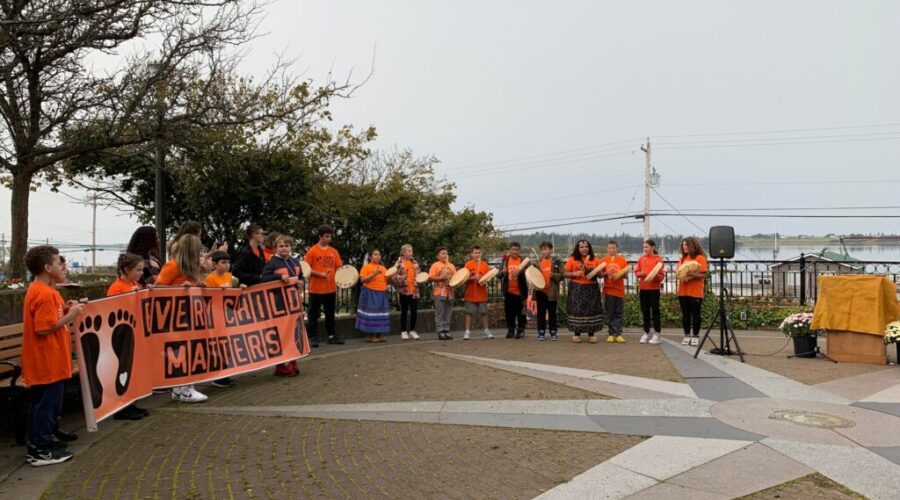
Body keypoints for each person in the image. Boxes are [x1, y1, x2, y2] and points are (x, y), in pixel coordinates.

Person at [22, 245, 85, 466]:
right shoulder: (46, 294)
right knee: (46, 406)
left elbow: (47, 322)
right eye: (60, 262)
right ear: (48, 268)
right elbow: (44, 328)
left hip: (46, 361)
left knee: (42, 404)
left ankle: (42, 442)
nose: (64, 266)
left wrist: (65, 311)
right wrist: (72, 315)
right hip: (47, 361)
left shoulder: (41, 291)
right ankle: (40, 449)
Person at [156, 234, 208, 402]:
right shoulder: (173, 265)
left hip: (188, 313)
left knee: (188, 349)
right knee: (184, 350)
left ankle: (180, 388)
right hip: (176, 315)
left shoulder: (186, 267)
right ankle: (184, 388)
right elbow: (158, 288)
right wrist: (180, 288)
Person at [106, 253, 152, 419]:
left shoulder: (134, 284)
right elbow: (114, 310)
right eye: (138, 270)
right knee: (123, 368)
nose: (141, 273)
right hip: (122, 333)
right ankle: (122, 407)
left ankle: (130, 402)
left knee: (132, 369)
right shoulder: (117, 287)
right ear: (126, 269)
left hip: (133, 331)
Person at [261, 234, 305, 376]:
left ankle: (292, 362)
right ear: (276, 248)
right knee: (281, 333)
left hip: (293, 302)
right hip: (279, 303)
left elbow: (301, 277)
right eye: (281, 246)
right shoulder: (273, 262)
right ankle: (281, 365)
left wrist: (301, 282)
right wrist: (279, 277)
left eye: (286, 245)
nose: (284, 248)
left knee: (292, 332)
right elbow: (264, 278)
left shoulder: (295, 262)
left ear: (291, 247)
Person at [204, 251, 243, 387]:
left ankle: (224, 372)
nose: (227, 265)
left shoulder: (229, 276)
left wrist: (239, 288)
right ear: (215, 264)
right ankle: (218, 375)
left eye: (228, 262)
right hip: (215, 314)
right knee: (219, 344)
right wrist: (219, 290)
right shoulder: (210, 278)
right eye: (223, 263)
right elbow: (207, 297)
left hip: (227, 314)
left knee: (227, 344)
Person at [304, 225, 345, 346]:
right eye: (326, 236)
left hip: (331, 288)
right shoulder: (312, 251)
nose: (329, 239)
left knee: (330, 314)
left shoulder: (333, 251)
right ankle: (312, 338)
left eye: (330, 236)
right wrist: (319, 274)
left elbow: (339, 268)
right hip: (316, 289)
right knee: (313, 315)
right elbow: (306, 269)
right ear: (320, 236)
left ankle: (331, 336)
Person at [564, 240, 605, 343]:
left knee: (592, 310)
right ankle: (576, 334)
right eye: (581, 247)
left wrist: (598, 272)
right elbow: (564, 273)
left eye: (586, 247)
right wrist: (574, 273)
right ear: (578, 249)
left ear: (589, 248)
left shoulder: (595, 260)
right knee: (577, 311)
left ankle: (591, 334)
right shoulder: (572, 259)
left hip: (591, 288)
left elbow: (600, 274)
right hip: (577, 288)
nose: (584, 249)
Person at [677, 237, 708, 346]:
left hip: (695, 292)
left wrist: (691, 274)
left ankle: (695, 335)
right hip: (682, 291)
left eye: (686, 245)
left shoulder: (700, 258)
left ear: (692, 245)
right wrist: (682, 275)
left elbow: (703, 274)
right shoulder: (682, 259)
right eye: (683, 245)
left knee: (696, 315)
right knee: (685, 315)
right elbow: (679, 274)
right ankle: (686, 335)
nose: (684, 247)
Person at [635, 240, 665, 344]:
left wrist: (654, 274)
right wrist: (641, 274)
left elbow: (661, 276)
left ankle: (657, 333)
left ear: (652, 247)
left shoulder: (658, 259)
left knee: (655, 311)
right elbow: (636, 272)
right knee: (645, 311)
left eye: (646, 247)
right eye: (644, 247)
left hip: (654, 289)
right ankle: (646, 332)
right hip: (643, 288)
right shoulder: (641, 258)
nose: (645, 249)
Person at [357, 249, 391, 343]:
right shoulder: (366, 267)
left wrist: (390, 276)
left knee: (381, 314)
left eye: (379, 254)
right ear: (370, 257)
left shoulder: (383, 268)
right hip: (370, 292)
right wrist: (374, 274)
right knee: (371, 314)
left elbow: (387, 281)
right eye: (375, 254)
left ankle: (380, 334)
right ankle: (371, 335)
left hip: (382, 292)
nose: (378, 256)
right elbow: (362, 280)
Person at [390, 244, 421, 340]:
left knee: (414, 312)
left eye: (411, 251)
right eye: (409, 251)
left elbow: (419, 274)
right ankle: (403, 331)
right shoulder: (398, 263)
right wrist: (403, 278)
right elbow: (393, 275)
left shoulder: (415, 263)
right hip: (403, 291)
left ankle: (412, 330)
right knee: (404, 311)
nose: (411, 253)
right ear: (403, 253)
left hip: (414, 291)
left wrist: (420, 279)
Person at [534, 241, 563, 341]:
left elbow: (562, 276)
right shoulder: (537, 262)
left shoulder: (557, 262)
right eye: (542, 249)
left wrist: (553, 275)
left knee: (552, 313)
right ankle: (541, 331)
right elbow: (532, 276)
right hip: (540, 291)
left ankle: (553, 332)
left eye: (546, 249)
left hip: (552, 292)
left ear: (551, 250)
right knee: (540, 313)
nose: (543, 251)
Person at [462, 246, 494, 340]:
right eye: (475, 253)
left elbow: (488, 278)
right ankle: (467, 332)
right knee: (469, 313)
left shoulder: (484, 265)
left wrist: (482, 279)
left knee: (484, 312)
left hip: (481, 293)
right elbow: (463, 279)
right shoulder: (467, 265)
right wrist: (472, 278)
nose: (477, 254)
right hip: (470, 293)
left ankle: (486, 330)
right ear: (471, 254)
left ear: (481, 254)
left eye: (479, 253)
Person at [499, 242, 529, 339]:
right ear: (510, 250)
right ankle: (511, 330)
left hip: (521, 291)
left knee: (521, 313)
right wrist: (503, 272)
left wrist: (524, 270)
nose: (515, 251)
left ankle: (520, 330)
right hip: (508, 291)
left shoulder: (523, 260)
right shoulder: (505, 260)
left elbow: (531, 271)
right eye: (513, 249)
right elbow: (499, 275)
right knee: (509, 312)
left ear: (519, 251)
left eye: (517, 250)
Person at [600, 241, 628, 344]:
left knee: (619, 313)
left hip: (619, 290)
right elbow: (599, 274)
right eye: (609, 248)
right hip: (608, 290)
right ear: (607, 249)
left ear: (617, 249)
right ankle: (611, 334)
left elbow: (626, 276)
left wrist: (619, 274)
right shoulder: (603, 260)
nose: (611, 250)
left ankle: (619, 334)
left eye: (613, 248)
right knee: (610, 313)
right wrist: (606, 273)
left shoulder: (622, 260)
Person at [429, 247, 457, 340]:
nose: (445, 255)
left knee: (448, 312)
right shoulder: (435, 265)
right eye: (442, 254)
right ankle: (440, 331)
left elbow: (456, 277)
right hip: (439, 291)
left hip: (450, 291)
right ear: (438, 256)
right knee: (440, 312)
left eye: (446, 253)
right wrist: (441, 278)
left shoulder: (451, 265)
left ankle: (446, 330)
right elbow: (431, 277)